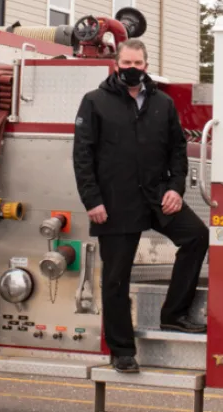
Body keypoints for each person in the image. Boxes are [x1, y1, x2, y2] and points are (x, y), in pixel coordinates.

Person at [73, 38, 209, 374]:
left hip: (156, 198)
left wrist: (176, 189)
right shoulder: (95, 102)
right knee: (116, 279)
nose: (132, 70)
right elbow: (82, 157)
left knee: (196, 237)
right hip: (114, 204)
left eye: (138, 64)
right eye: (127, 64)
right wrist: (93, 201)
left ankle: (173, 315)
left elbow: (178, 152)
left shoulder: (162, 104)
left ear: (146, 66)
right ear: (116, 65)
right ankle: (122, 351)